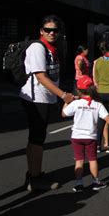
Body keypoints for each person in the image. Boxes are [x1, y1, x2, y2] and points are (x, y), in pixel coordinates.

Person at [20, 15, 75, 191]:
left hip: (44, 97)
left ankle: (33, 174)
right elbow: (41, 76)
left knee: (36, 137)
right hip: (36, 98)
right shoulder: (38, 47)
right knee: (37, 139)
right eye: (48, 30)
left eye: (55, 30)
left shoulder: (52, 48)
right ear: (41, 31)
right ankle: (34, 178)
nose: (51, 33)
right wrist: (63, 95)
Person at [62, 76, 109, 192]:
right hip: (90, 136)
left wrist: (67, 102)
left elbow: (64, 114)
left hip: (76, 136)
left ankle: (79, 183)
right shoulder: (97, 104)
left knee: (79, 160)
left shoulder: (76, 103)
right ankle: (96, 181)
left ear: (78, 90)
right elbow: (108, 118)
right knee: (92, 159)